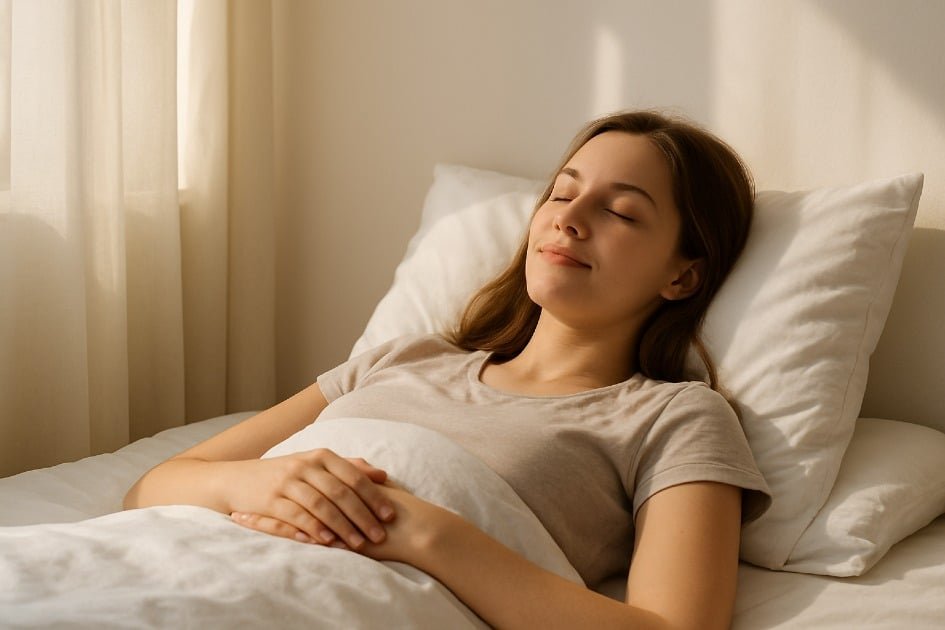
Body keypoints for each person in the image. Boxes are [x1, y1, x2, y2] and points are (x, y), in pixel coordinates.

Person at [124, 110, 770, 629]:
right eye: (562, 193)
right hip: (181, 569)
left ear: (682, 274)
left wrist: (423, 531)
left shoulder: (673, 415)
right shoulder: (406, 356)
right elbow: (153, 488)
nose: (568, 219)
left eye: (620, 211)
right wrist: (257, 485)